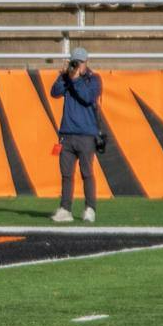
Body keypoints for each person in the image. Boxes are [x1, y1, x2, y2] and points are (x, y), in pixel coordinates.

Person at [49, 47, 101, 223]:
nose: (77, 65)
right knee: (66, 174)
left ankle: (90, 208)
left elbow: (87, 97)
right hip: (67, 134)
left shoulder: (94, 79)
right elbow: (54, 92)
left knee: (87, 173)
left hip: (87, 135)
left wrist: (76, 79)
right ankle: (65, 208)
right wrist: (65, 76)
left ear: (87, 62)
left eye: (80, 62)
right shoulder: (67, 77)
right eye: (75, 61)